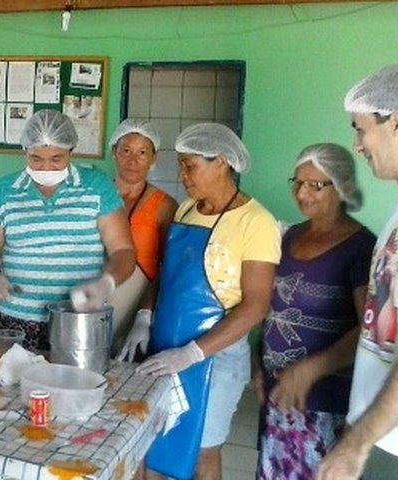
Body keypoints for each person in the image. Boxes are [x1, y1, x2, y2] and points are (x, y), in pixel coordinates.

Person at [121, 123, 281, 480]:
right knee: (155, 444)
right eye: (181, 165)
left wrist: (193, 353)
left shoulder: (256, 222)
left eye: (190, 166)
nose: (182, 175)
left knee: (201, 453)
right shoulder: (186, 210)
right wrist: (145, 316)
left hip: (216, 357)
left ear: (221, 162)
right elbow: (167, 273)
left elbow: (255, 305)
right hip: (166, 348)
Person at [317, 63, 398, 480]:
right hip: (380, 433)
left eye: (360, 130)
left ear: (395, 122)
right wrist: (358, 426)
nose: (357, 145)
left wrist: (359, 442)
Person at [255, 143, 376, 479]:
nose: (301, 193)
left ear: (341, 187)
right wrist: (258, 363)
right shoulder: (289, 236)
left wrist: (310, 371)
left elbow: (369, 328)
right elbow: (273, 307)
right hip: (280, 396)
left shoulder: (361, 248)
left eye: (315, 185)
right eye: (297, 182)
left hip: (325, 403)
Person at [0, 109, 136, 350]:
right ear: (25, 150)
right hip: (15, 322)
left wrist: (106, 283)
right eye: (36, 158)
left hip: (77, 321)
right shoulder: (6, 190)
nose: (46, 167)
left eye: (57, 159)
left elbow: (123, 251)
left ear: (71, 151)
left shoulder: (97, 187)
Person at [109, 119, 178, 357]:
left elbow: (168, 266)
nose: (133, 161)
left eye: (142, 153)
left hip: (136, 303)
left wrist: (144, 315)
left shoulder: (164, 206)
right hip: (92, 297)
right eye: (126, 150)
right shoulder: (96, 196)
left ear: (153, 159)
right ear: (114, 153)